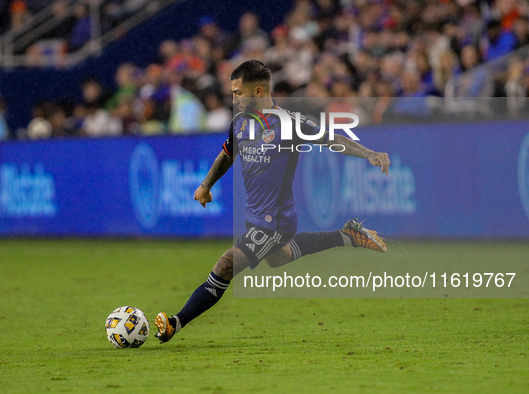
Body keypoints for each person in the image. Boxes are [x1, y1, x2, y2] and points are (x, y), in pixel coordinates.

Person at [154, 60, 391, 343]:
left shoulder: (289, 123)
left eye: (238, 93)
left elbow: (332, 139)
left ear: (257, 90)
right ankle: (347, 235)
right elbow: (228, 154)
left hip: (274, 221)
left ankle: (175, 323)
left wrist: (369, 153)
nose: (234, 99)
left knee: (225, 265)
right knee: (277, 258)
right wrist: (206, 185)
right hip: (255, 216)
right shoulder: (240, 121)